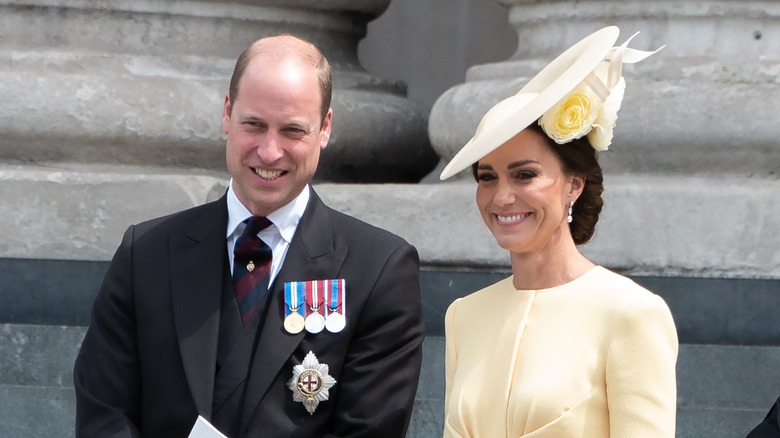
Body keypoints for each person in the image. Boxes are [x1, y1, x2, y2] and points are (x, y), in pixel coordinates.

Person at [73, 34, 424, 438]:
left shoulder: (378, 269)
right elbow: (104, 413)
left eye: (293, 130)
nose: (270, 151)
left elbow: (369, 430)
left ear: (325, 127)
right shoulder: (147, 254)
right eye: (254, 125)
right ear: (227, 112)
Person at [439, 26, 678, 437]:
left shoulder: (631, 314)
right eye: (487, 177)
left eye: (525, 175)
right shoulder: (464, 315)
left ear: (574, 184)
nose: (502, 197)